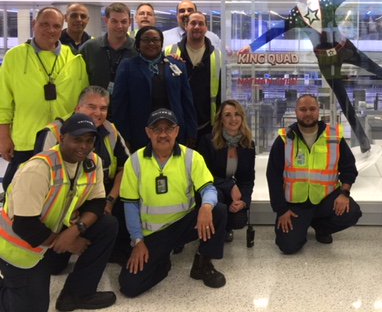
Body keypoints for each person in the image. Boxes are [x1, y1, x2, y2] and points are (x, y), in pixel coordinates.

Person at [240, 0, 382, 152]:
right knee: (344, 101)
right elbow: (275, 31)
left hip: (345, 48)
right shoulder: (295, 14)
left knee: (373, 67)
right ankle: (363, 142)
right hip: (326, 60)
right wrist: (252, 46)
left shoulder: (325, 1)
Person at [0, 113, 118, 312]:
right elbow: (24, 225)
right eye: (77, 139)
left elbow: (97, 203)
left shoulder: (93, 162)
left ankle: (77, 294)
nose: (84, 146)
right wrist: (64, 242)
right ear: (62, 138)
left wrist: (75, 230)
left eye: (89, 141)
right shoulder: (38, 168)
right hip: (21, 249)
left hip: (52, 239)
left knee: (107, 225)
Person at [118, 108, 227, 297]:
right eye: (157, 129)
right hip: (153, 233)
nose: (163, 134)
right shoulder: (134, 162)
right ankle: (162, 262)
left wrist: (206, 207)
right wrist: (137, 241)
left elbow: (208, 188)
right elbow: (130, 204)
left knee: (218, 210)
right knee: (130, 287)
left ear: (176, 131)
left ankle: (203, 263)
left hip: (184, 224)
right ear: (148, 132)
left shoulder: (191, 157)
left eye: (168, 129)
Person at [33, 86, 131, 263]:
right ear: (78, 108)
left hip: (96, 196)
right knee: (54, 265)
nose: (98, 113)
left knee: (125, 206)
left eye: (103, 108)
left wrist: (109, 201)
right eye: (91, 106)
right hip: (61, 203)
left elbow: (126, 167)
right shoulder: (54, 132)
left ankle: (109, 250)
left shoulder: (110, 130)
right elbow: (40, 181)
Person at [0, 7, 89, 190]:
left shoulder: (74, 60)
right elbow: (3, 102)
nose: (50, 30)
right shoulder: (15, 57)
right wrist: (3, 137)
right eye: (44, 24)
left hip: (62, 141)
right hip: (26, 139)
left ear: (62, 28)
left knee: (56, 191)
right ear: (34, 25)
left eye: (56, 26)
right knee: (15, 189)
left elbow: (83, 105)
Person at [266, 94, 362, 254]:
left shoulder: (334, 136)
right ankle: (301, 227)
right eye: (303, 109)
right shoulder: (285, 138)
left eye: (312, 109)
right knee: (288, 247)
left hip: (326, 200)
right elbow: (273, 176)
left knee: (352, 213)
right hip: (296, 204)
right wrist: (281, 210)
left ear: (319, 111)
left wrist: (344, 193)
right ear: (295, 112)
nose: (308, 113)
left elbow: (349, 168)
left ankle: (321, 228)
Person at [111, 26, 197, 151]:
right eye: (146, 40)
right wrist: (124, 137)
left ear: (161, 43)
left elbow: (187, 101)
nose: (151, 43)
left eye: (155, 40)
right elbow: (119, 105)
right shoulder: (127, 66)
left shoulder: (177, 64)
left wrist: (191, 132)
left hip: (174, 130)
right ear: (138, 44)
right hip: (140, 133)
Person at [198, 100, 255, 243]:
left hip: (230, 191)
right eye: (227, 115)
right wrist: (230, 185)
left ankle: (223, 227)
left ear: (242, 118)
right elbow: (204, 175)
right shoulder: (208, 141)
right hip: (211, 189)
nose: (233, 119)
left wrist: (243, 201)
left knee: (239, 219)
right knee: (219, 207)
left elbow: (248, 179)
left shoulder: (248, 144)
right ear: (221, 119)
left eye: (237, 114)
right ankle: (212, 229)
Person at [165, 11, 222, 141]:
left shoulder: (217, 56)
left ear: (206, 28)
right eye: (193, 23)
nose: (197, 27)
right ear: (186, 26)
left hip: (207, 125)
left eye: (201, 24)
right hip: (176, 124)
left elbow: (220, 94)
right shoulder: (170, 52)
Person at [80, 2, 137, 94]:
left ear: (130, 22)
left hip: (129, 106)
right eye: (114, 21)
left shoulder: (138, 49)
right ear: (106, 20)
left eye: (123, 21)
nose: (119, 26)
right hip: (96, 106)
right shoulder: (89, 48)